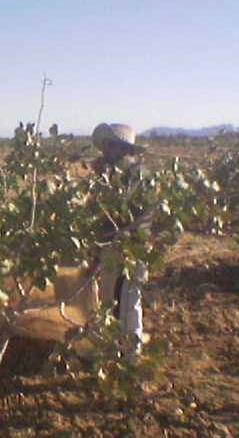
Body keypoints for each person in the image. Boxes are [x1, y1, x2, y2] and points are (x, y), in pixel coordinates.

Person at [91, 123, 147, 361]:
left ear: (123, 148)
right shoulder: (108, 174)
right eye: (104, 145)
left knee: (129, 299)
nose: (105, 150)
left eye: (110, 145)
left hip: (132, 245)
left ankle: (130, 356)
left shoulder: (136, 176)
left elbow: (135, 216)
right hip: (111, 245)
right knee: (108, 299)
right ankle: (110, 350)